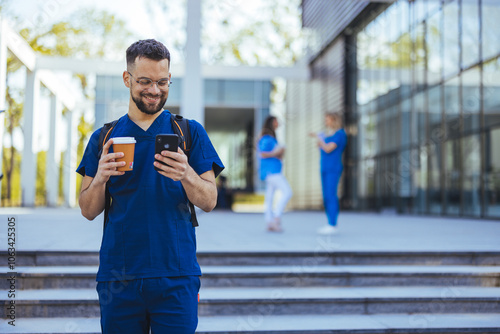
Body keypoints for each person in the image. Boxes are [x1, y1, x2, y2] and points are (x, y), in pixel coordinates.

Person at [76, 39, 224, 334]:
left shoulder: (189, 132)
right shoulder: (104, 138)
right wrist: (102, 177)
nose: (154, 90)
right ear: (127, 78)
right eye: (144, 81)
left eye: (162, 82)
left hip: (176, 276)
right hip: (119, 278)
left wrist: (186, 173)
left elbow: (209, 200)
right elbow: (88, 210)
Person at [309, 112, 347, 235]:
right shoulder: (329, 135)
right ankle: (329, 222)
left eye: (328, 120)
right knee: (326, 196)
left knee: (331, 195)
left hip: (333, 168)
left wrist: (320, 141)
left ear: (334, 120)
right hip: (324, 167)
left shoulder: (340, 134)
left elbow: (328, 148)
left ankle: (333, 224)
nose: (326, 122)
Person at [258, 116, 292, 232]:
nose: (278, 123)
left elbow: (273, 154)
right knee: (287, 192)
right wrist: (277, 152)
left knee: (270, 197)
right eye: (276, 121)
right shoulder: (267, 137)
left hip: (273, 170)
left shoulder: (272, 137)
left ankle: (269, 222)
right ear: (272, 123)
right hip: (271, 171)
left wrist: (279, 153)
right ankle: (276, 217)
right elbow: (263, 154)